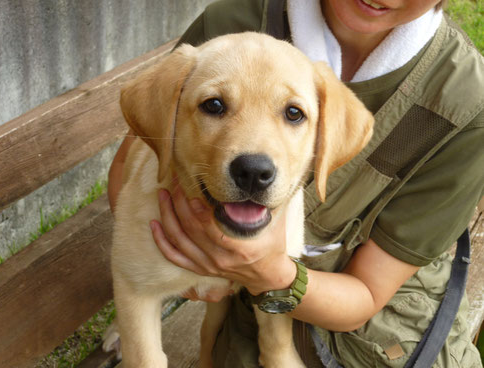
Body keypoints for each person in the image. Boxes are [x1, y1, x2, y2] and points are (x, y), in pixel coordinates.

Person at [108, 0, 484, 366]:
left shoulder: (465, 100)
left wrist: (270, 281)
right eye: (215, 106)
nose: (254, 161)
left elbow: (365, 294)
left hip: (368, 319)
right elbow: (131, 161)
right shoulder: (229, 21)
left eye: (293, 113)